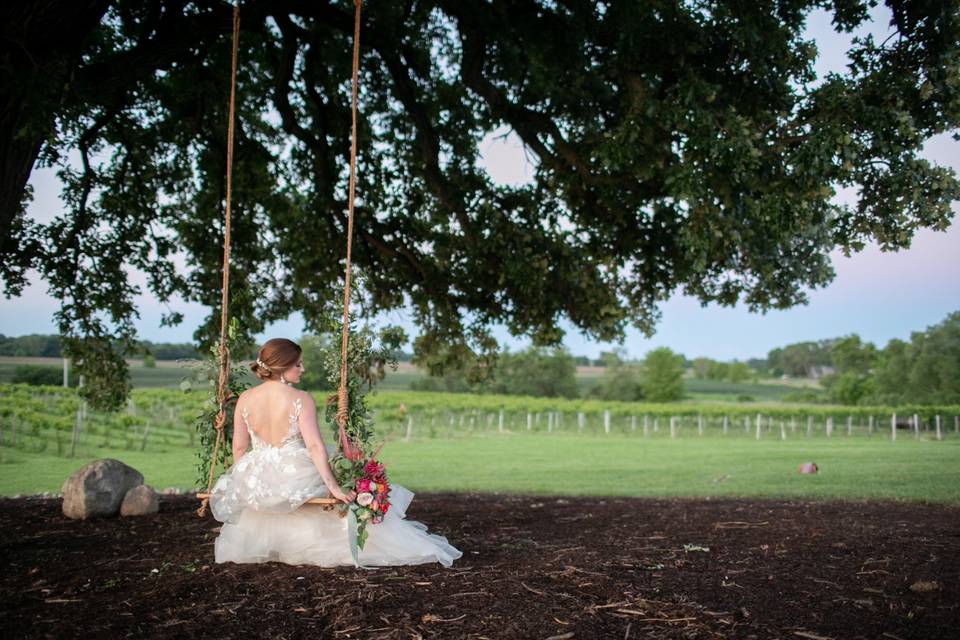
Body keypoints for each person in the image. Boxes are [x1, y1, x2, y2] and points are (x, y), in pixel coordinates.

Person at [208, 338, 463, 568]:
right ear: (282, 366)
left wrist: (243, 480)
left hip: (257, 469)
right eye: (298, 365)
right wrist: (335, 487)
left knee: (272, 498)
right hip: (295, 470)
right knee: (331, 481)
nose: (302, 369)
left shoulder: (245, 399)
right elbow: (315, 446)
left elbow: (239, 447)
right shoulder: (299, 399)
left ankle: (272, 544)